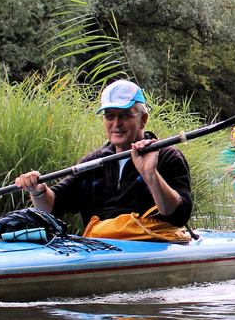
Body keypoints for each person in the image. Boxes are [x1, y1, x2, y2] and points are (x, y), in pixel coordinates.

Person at [14, 79, 193, 234]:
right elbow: (52, 205)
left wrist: (150, 174)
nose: (116, 124)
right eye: (110, 116)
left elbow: (178, 215)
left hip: (152, 246)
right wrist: (37, 191)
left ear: (143, 120)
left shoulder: (169, 156)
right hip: (102, 247)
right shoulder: (93, 163)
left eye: (125, 115)